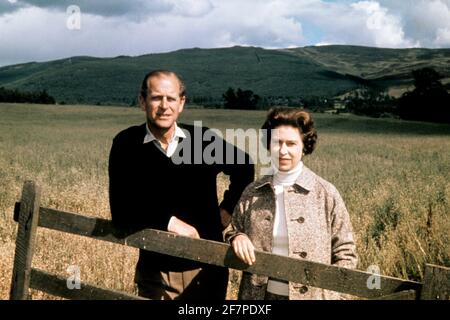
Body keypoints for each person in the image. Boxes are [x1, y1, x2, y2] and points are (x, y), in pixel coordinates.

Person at [108, 70, 254, 300]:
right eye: (156, 97)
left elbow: (244, 166)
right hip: (157, 270)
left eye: (171, 98)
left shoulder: (201, 140)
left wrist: (227, 210)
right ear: (142, 101)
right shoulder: (127, 144)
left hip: (208, 267)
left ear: (181, 103)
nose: (164, 105)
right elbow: (121, 209)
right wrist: (170, 222)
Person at [224, 107, 357, 300]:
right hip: (258, 297)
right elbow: (231, 230)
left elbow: (346, 254)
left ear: (304, 146)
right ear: (268, 145)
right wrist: (237, 237)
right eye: (277, 142)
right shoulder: (252, 192)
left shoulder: (326, 194)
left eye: (291, 143)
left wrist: (334, 296)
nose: (283, 151)